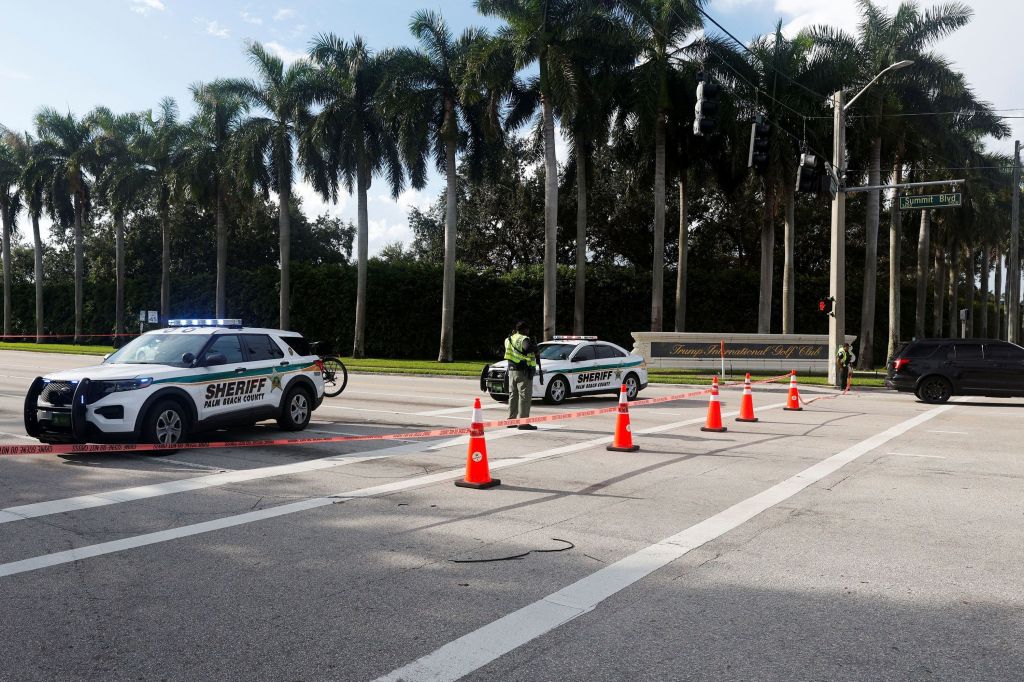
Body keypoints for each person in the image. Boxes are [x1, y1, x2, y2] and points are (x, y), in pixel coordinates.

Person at [504, 320, 538, 430]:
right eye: (527, 329)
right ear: (524, 329)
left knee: (513, 395)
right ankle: (523, 423)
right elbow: (527, 348)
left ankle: (511, 420)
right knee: (525, 397)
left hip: (512, 370)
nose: (528, 331)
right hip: (524, 371)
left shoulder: (509, 339)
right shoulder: (523, 339)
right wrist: (535, 347)